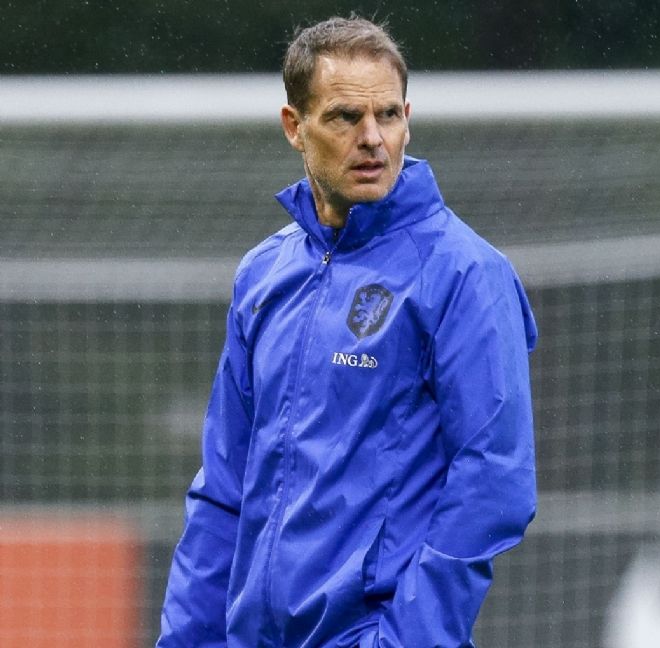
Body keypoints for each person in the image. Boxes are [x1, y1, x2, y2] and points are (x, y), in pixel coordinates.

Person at [157, 16, 538, 648]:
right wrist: (188, 640)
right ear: (294, 126)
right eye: (344, 117)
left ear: (407, 119)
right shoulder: (264, 273)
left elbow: (494, 483)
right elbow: (224, 487)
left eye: (388, 115)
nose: (372, 139)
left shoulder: (465, 273)